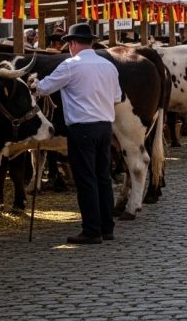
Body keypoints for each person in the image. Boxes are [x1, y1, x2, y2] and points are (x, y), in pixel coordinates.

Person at [34, 23, 122, 245]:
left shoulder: (70, 65)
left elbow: (44, 88)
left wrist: (34, 82)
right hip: (105, 126)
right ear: (90, 42)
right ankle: (106, 226)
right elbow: (117, 98)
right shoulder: (109, 66)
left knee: (86, 179)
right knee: (103, 176)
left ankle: (92, 229)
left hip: (82, 128)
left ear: (72, 43)